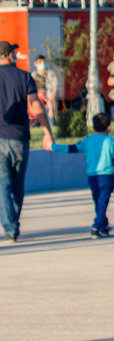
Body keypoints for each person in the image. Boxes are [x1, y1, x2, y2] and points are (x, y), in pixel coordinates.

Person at [0, 40, 54, 242]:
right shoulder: (24, 77)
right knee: (17, 184)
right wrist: (47, 131)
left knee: (3, 185)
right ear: (10, 56)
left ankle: (10, 226)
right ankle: (12, 221)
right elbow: (36, 105)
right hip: (20, 138)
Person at [50, 113, 114, 238]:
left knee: (98, 202)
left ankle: (104, 226)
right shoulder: (112, 142)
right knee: (102, 202)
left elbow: (71, 148)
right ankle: (96, 226)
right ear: (109, 127)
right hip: (107, 177)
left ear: (93, 127)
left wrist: (53, 147)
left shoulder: (87, 141)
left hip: (92, 177)